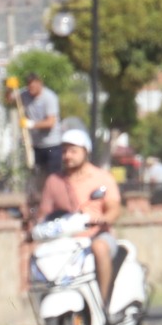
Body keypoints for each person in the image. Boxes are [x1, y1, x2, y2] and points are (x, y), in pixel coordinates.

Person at [31, 124, 121, 305]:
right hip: (66, 237)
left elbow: (114, 207)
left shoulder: (101, 177)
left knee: (100, 248)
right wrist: (33, 227)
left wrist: (104, 218)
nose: (67, 156)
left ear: (85, 151)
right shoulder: (54, 181)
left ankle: (104, 302)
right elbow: (44, 212)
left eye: (73, 151)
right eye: (64, 152)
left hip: (97, 234)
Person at [20, 74, 62, 182]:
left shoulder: (49, 97)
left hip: (52, 145)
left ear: (40, 84)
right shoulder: (25, 94)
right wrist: (9, 88)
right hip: (37, 145)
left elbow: (50, 122)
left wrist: (31, 124)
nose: (31, 90)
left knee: (53, 178)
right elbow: (11, 99)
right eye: (29, 87)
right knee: (40, 177)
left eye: (33, 87)